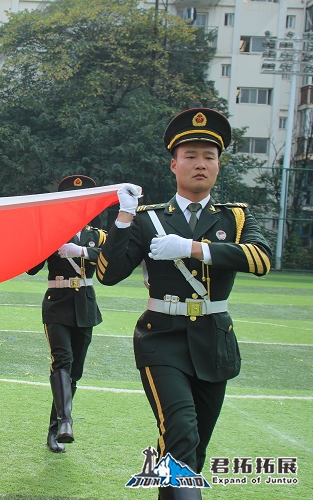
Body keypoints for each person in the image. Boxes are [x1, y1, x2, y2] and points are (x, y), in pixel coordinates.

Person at [96, 108, 272, 499]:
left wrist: (194, 248)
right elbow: (108, 274)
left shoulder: (236, 217)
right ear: (174, 164)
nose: (200, 164)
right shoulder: (148, 219)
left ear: (219, 166)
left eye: (209, 156)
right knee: (181, 433)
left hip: (214, 341)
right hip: (162, 340)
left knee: (192, 451)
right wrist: (123, 218)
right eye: (190, 155)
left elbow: (261, 258)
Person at [27, 175, 107, 453]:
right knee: (62, 361)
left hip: (84, 305)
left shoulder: (96, 234)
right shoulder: (51, 230)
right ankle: (65, 423)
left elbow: (110, 258)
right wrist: (46, 241)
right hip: (57, 303)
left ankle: (56, 429)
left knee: (75, 372)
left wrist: (83, 250)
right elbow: (31, 267)